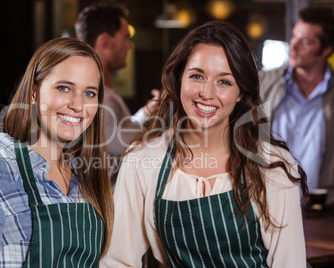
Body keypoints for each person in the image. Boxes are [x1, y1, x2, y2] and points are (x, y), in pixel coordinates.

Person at [100, 21, 309, 267]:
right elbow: (118, 261)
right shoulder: (143, 158)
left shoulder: (272, 165)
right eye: (197, 76)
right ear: (179, 80)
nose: (207, 93)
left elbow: (289, 263)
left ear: (240, 92)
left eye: (224, 82)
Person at [0, 37, 114, 267]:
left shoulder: (86, 179)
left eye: (90, 93)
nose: (78, 105)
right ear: (34, 92)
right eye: (64, 88)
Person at [75, 3, 159, 182]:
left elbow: (121, 132)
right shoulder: (90, 96)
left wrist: (148, 112)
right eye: (125, 38)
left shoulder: (105, 91)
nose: (129, 47)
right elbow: (126, 147)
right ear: (105, 41)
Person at [259, 6, 334, 204]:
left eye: (305, 41)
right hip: (265, 204)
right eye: (294, 36)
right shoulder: (262, 84)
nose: (293, 45)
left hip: (320, 213)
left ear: (326, 50)